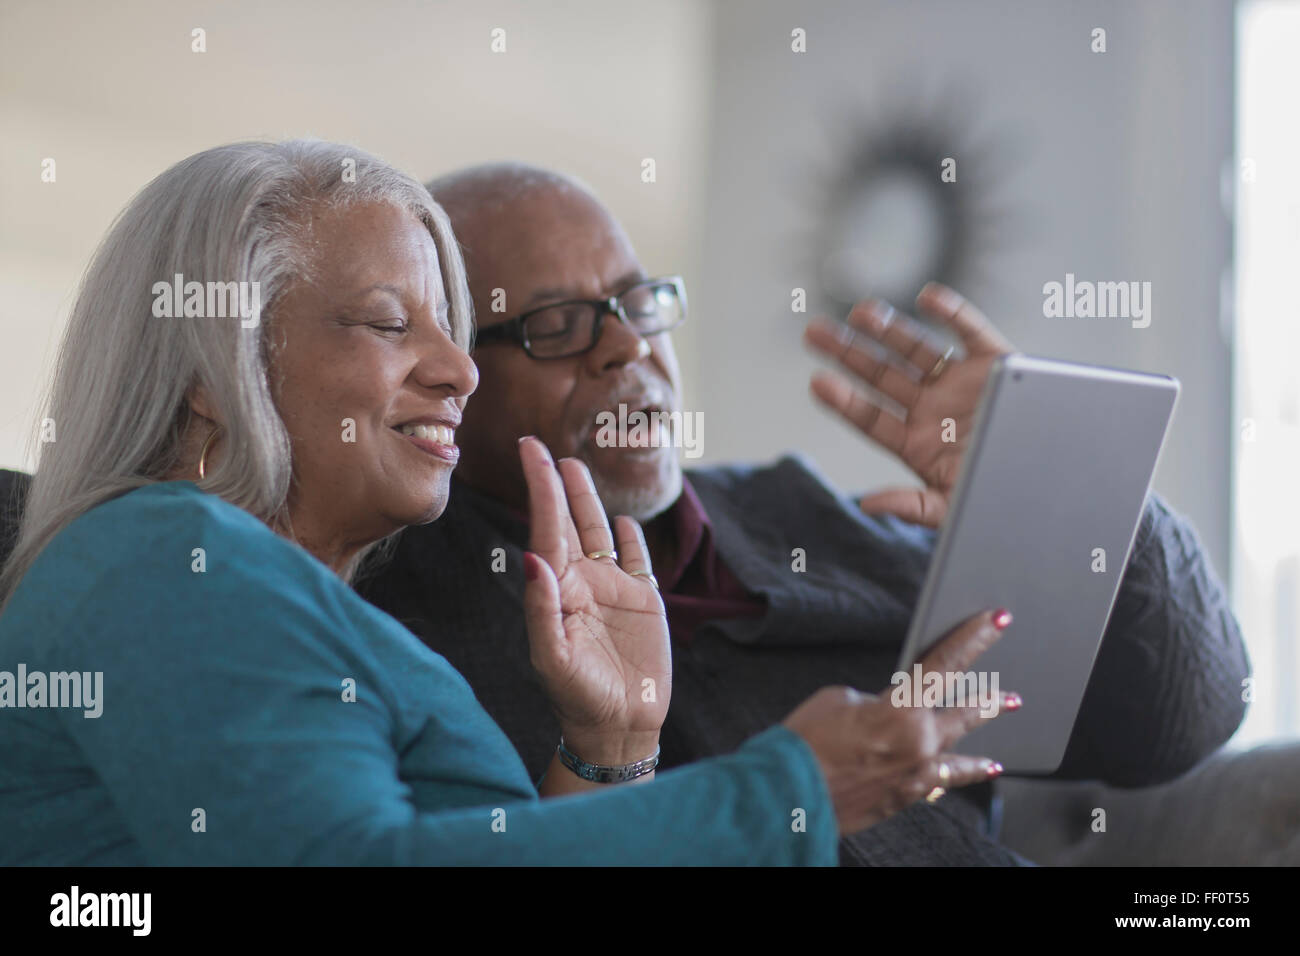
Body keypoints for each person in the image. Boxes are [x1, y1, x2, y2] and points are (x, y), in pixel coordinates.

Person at [0, 140, 1014, 866]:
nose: (458, 370)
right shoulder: (162, 555)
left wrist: (606, 746)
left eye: (451, 328)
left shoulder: (298, 606)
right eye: (390, 323)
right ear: (207, 373)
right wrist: (792, 793)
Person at [352, 162, 1252, 866]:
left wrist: (1064, 491)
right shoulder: (399, 624)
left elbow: (1180, 724)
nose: (628, 344)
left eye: (637, 303)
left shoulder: (798, 515)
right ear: (452, 377)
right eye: (558, 325)